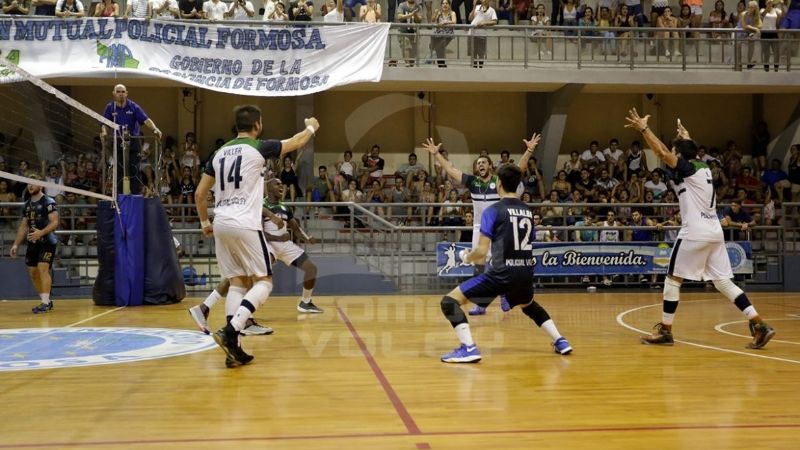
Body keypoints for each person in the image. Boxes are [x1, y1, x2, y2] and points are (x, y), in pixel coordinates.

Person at [624, 108, 775, 349]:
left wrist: (644, 129)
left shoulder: (688, 168)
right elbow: (685, 153)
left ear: (681, 156)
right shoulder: (702, 168)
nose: (672, 154)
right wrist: (687, 137)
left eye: (677, 152)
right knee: (723, 282)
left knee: (673, 280)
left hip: (694, 232)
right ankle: (759, 324)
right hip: (714, 231)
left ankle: (665, 330)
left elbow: (662, 152)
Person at [194, 105, 319, 367]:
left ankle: (234, 347)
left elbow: (199, 194)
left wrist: (205, 222)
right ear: (258, 125)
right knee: (264, 281)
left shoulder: (217, 153)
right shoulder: (259, 147)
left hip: (221, 222)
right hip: (245, 223)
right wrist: (311, 127)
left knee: (237, 282)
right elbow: (297, 142)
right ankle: (232, 330)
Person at [438, 165, 572, 363]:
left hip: (501, 273)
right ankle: (560, 341)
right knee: (528, 305)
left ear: (498, 184)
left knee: (449, 302)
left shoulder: (493, 211)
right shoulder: (527, 211)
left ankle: (469, 348)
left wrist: (466, 256)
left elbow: (481, 253)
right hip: (525, 273)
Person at [424, 131, 540, 315]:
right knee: (479, 263)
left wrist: (529, 151)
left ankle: (501, 297)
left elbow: (519, 169)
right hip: (480, 226)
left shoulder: (499, 181)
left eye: (483, 162)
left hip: (501, 225)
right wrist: (436, 154)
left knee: (500, 264)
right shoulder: (473, 182)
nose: (480, 165)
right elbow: (452, 171)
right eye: (478, 163)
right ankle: (482, 302)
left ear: (491, 166)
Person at [10, 174, 59, 314]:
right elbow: (23, 226)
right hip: (33, 242)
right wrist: (15, 244)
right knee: (33, 273)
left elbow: (55, 222)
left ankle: (44, 303)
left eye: (33, 183)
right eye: (28, 184)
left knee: (43, 268)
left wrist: (41, 233)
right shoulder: (27, 205)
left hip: (47, 240)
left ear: (41, 185)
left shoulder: (48, 201)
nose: (30, 186)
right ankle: (47, 300)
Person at [100, 84, 162, 195]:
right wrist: (104, 132)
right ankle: (119, 197)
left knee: (134, 170)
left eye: (123, 92)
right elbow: (104, 124)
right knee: (119, 171)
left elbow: (146, 119)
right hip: (118, 141)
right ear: (114, 93)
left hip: (133, 141)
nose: (121, 94)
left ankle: (136, 196)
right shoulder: (110, 107)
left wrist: (155, 129)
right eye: (118, 91)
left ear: (127, 93)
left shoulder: (133, 106)